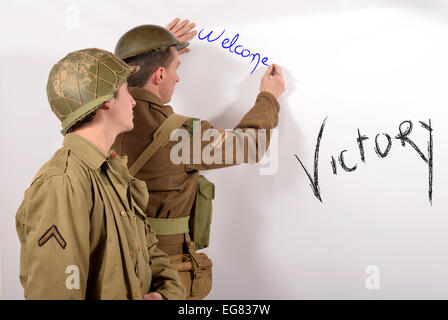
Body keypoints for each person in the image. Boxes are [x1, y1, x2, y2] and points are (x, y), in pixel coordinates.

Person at [111, 19, 285, 299]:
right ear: (159, 75)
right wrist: (268, 98)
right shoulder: (182, 135)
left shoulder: (101, 120)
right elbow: (251, 145)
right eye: (175, 69)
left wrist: (153, 50)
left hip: (112, 267)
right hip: (165, 276)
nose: (178, 77)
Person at [15, 48, 185, 300]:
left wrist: (163, 296)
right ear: (106, 100)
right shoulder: (63, 183)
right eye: (127, 91)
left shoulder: (113, 173)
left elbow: (151, 254)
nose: (133, 101)